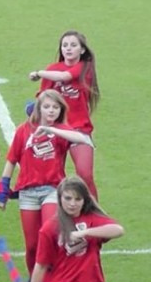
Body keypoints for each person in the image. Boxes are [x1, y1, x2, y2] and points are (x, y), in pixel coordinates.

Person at [0, 89, 94, 276]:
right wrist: (4, 187)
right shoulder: (23, 130)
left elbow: (82, 139)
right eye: (47, 107)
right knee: (32, 245)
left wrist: (51, 129)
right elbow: (11, 160)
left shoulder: (61, 130)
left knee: (48, 234)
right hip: (28, 193)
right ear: (38, 108)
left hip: (52, 190)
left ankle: (53, 275)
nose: (51, 110)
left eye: (55, 107)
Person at [29, 30, 101, 199]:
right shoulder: (52, 69)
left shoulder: (85, 68)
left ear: (82, 50)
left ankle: (94, 211)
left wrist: (39, 73)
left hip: (79, 129)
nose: (68, 48)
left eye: (73, 45)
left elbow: (64, 76)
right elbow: (42, 99)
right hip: (54, 130)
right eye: (65, 45)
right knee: (52, 177)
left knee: (85, 174)